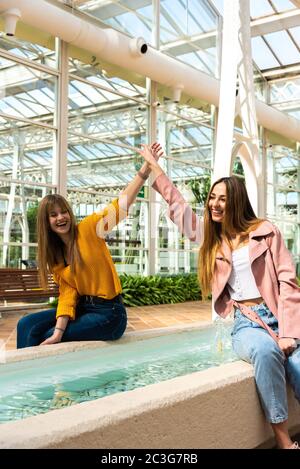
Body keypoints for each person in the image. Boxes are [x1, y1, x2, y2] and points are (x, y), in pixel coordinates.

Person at [139, 144, 300, 450]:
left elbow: (288, 282)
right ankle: (283, 439)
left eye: (222, 199)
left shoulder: (266, 232)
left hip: (280, 317)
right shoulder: (212, 238)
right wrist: (154, 167)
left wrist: (290, 333)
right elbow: (179, 209)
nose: (214, 204)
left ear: (236, 201)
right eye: (212, 197)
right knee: (266, 354)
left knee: (298, 365)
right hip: (247, 323)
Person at [17, 143, 163, 349]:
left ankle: (38, 376)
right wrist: (59, 330)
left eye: (63, 212)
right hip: (83, 309)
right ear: (46, 222)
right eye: (53, 215)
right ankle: (26, 378)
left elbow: (119, 206)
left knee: (47, 335)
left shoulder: (89, 229)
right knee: (26, 325)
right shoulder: (55, 256)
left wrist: (145, 170)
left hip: (110, 314)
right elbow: (68, 294)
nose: (61, 218)